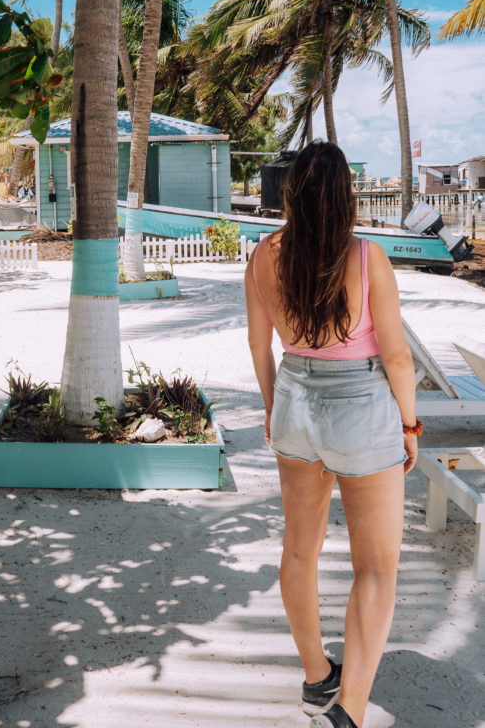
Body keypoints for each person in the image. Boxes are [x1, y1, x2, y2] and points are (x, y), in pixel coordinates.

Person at [244, 142, 420, 728]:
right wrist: (410, 426)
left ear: (291, 193)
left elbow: (258, 346)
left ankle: (319, 676)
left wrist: (275, 410)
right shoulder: (368, 258)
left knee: (300, 550)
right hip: (361, 408)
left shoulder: (263, 258)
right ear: (346, 196)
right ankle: (348, 712)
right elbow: (397, 358)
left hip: (295, 400)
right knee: (376, 568)